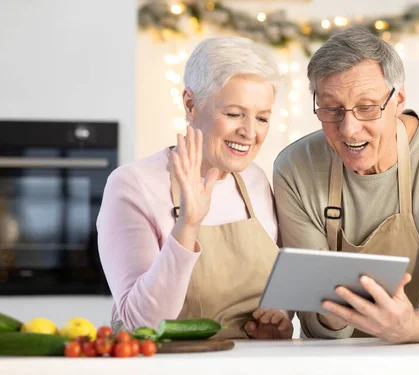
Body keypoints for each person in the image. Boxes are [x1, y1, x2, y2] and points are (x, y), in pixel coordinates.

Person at [273, 26, 419, 343]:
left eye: (367, 107)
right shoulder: (295, 168)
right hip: (341, 360)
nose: (349, 129)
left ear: (398, 99)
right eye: (331, 108)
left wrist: (411, 327)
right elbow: (312, 317)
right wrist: (328, 312)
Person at [97, 36, 293, 340]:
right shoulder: (133, 185)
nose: (250, 132)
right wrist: (188, 224)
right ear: (191, 104)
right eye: (234, 114)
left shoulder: (255, 181)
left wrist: (278, 316)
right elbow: (140, 324)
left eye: (262, 118)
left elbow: (277, 286)